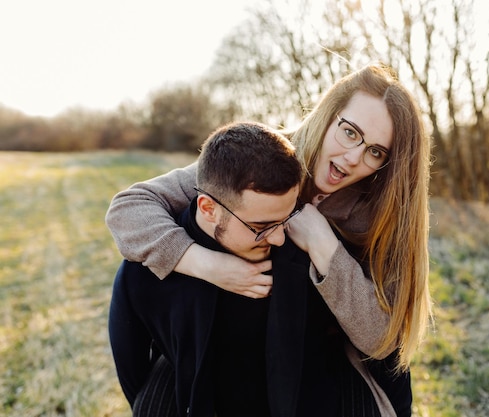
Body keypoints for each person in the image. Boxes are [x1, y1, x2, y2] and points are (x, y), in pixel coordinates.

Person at [106, 63, 431, 412]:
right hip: (222, 356)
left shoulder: (379, 217)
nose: (353, 158)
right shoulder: (263, 158)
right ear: (329, 114)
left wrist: (326, 247)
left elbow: (380, 339)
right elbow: (129, 208)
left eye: (375, 152)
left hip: (319, 372)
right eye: (350, 132)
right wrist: (211, 265)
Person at [110, 121, 346, 416]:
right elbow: (133, 368)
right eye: (261, 227)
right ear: (209, 209)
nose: (278, 238)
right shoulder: (149, 266)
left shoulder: (301, 256)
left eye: (285, 218)